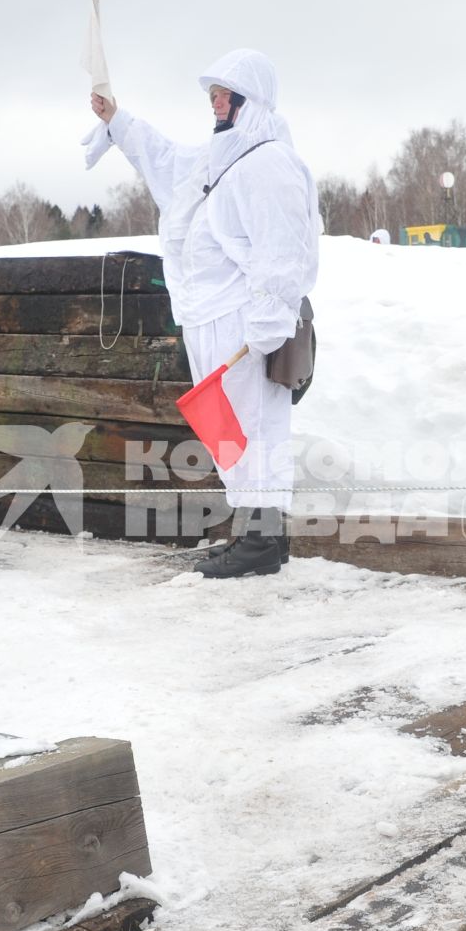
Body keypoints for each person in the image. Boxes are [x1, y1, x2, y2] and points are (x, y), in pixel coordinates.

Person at [87, 49, 320, 578]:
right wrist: (117, 121)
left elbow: (283, 249)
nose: (214, 104)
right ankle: (261, 535)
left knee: (254, 427)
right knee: (229, 430)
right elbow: (166, 160)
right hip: (209, 319)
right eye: (212, 95)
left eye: (224, 95)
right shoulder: (220, 158)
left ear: (249, 100)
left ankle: (260, 543)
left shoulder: (268, 162)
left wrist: (267, 325)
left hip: (245, 322)